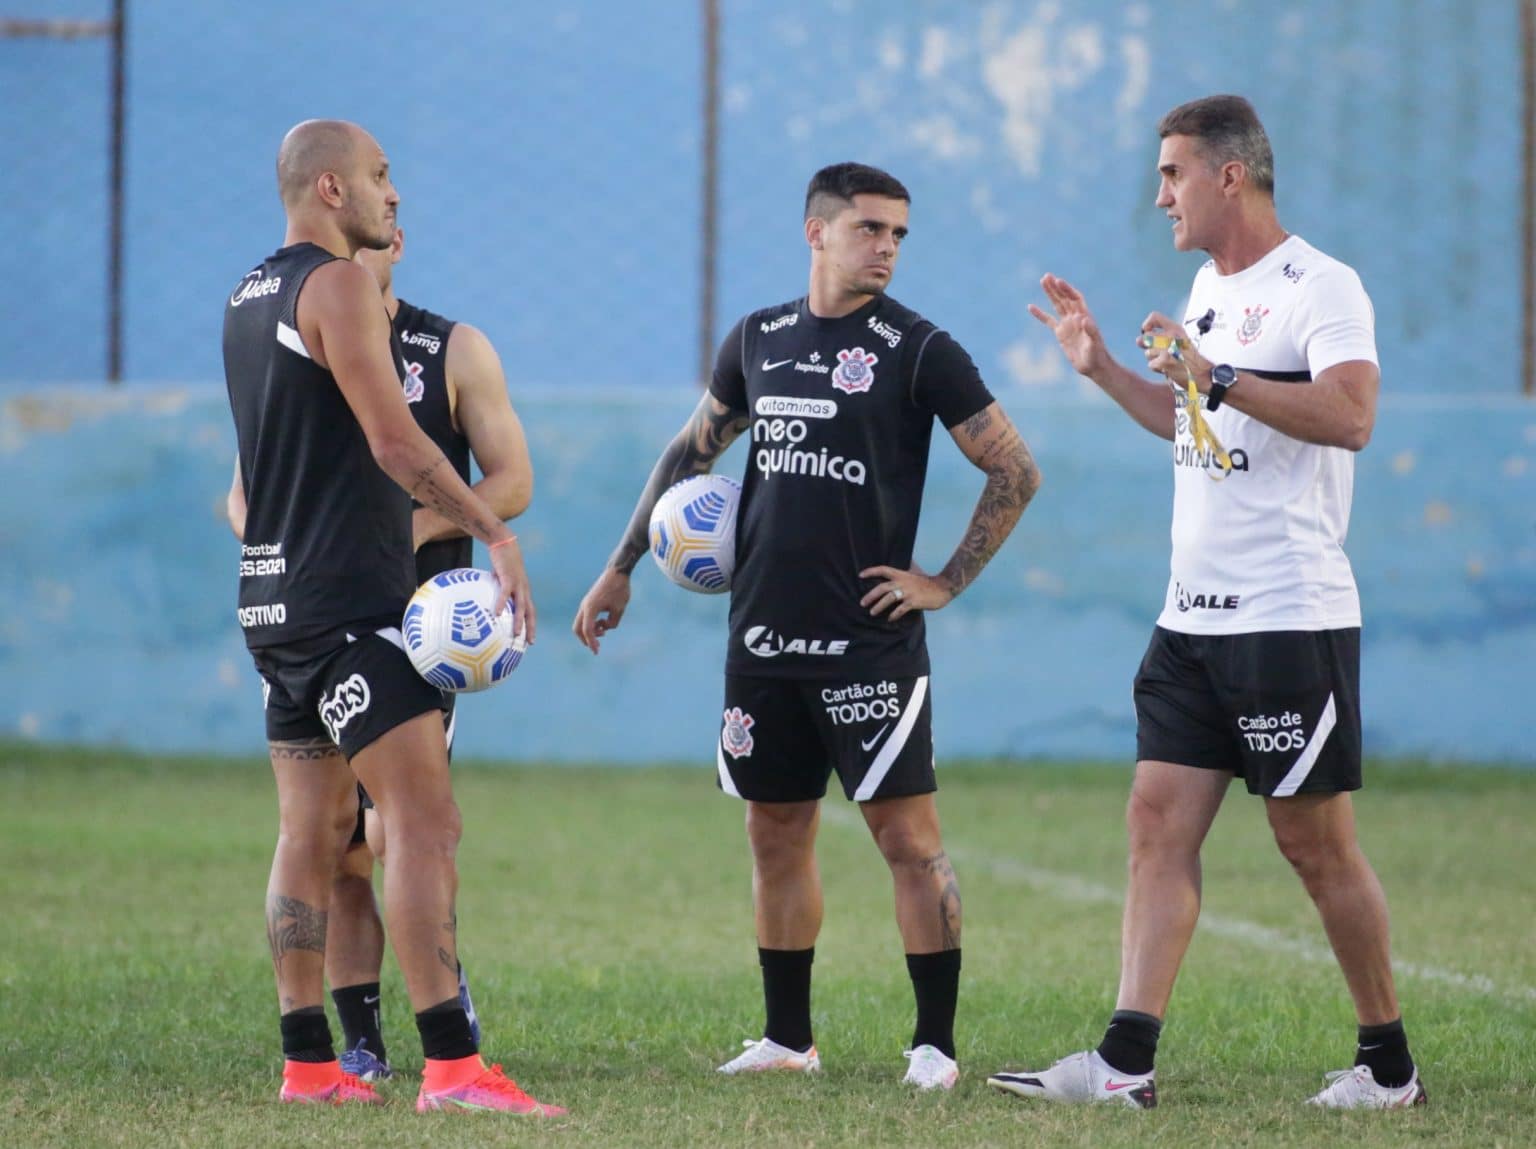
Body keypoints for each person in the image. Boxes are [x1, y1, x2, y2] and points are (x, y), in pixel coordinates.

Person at [985, 95, 1424, 1111]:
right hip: (1190, 621)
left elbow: (1351, 418)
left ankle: (1388, 1067)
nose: (1159, 195)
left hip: (1287, 617)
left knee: (1313, 844)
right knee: (1154, 822)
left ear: (1231, 175)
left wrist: (1215, 372)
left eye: (1173, 173)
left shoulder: (1324, 287)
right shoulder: (1204, 288)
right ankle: (1123, 1066)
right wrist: (1102, 369)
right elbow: (1193, 423)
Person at [573, 162, 1041, 1091]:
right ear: (816, 231)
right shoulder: (758, 338)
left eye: (900, 235)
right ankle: (788, 1037)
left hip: (869, 643)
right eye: (871, 229)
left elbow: (1016, 470)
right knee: (775, 831)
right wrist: (621, 565)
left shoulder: (920, 349)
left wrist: (944, 579)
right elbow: (690, 448)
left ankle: (935, 1048)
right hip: (762, 643)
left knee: (908, 840)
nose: (888, 249)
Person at [222, 118, 560, 1115]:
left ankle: (309, 1066)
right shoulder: (335, 287)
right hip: (353, 605)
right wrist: (489, 533)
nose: (393, 194)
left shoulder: (250, 293)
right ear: (329, 189)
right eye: (379, 176)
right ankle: (454, 1068)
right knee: (422, 821)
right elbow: (397, 442)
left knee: (312, 833)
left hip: (275, 602)